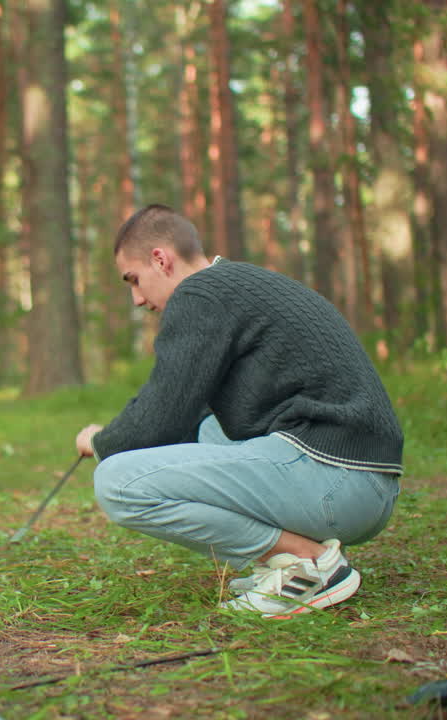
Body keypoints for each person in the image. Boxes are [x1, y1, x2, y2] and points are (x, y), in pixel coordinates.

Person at [74, 204, 402, 618]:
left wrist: (101, 443)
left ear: (161, 258)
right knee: (208, 431)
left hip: (338, 481)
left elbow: (162, 412)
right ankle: (281, 562)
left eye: (134, 280)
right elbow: (183, 416)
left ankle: (310, 565)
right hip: (364, 482)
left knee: (117, 484)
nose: (138, 298)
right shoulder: (235, 284)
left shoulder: (200, 294)